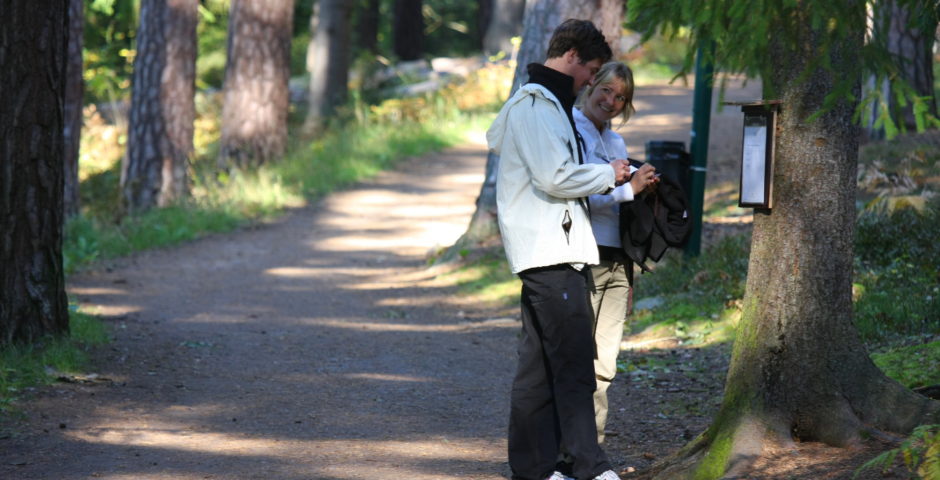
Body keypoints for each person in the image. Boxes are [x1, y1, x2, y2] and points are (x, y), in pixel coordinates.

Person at [487, 19, 629, 480]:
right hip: (552, 251)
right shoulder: (537, 105)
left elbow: (504, 145)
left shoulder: (538, 102)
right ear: (570, 57)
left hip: (545, 249)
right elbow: (555, 176)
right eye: (590, 69)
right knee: (572, 367)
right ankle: (589, 467)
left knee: (538, 369)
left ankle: (535, 469)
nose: (592, 80)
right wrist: (611, 174)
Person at [573, 62, 657, 444]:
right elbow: (579, 197)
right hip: (581, 256)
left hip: (617, 259)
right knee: (576, 358)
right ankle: (566, 449)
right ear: (590, 85)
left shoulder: (618, 142)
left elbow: (620, 207)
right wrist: (629, 188)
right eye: (606, 90)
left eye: (621, 96)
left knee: (605, 362)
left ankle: (592, 449)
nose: (611, 101)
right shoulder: (571, 130)